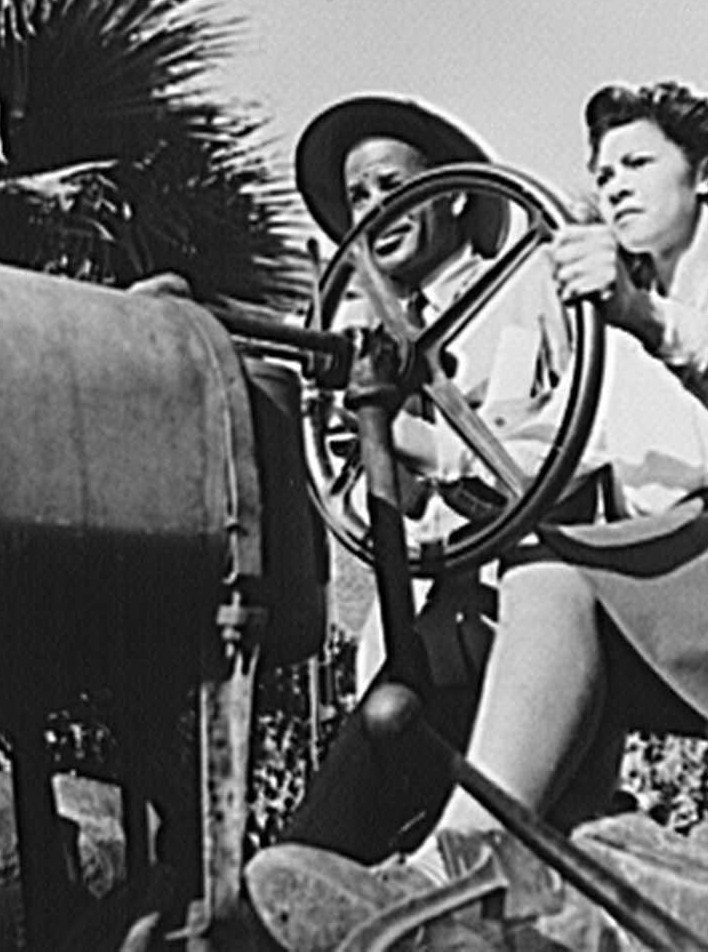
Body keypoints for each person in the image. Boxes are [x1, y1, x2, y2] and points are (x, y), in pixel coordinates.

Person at [246, 79, 708, 948]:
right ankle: (368, 902)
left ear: (705, 174)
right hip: (682, 576)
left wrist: (644, 312)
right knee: (463, 648)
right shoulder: (612, 355)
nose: (616, 186)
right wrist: (386, 426)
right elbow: (522, 460)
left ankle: (455, 868)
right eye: (602, 174)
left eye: (638, 162)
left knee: (554, 573)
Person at [284, 93, 572, 858]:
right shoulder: (360, 333)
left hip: (526, 639)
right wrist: (365, 419)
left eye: (393, 184)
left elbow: (570, 452)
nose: (378, 208)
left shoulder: (528, 284)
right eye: (359, 197)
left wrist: (415, 438)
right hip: (411, 644)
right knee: (321, 857)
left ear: (447, 193)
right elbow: (367, 506)